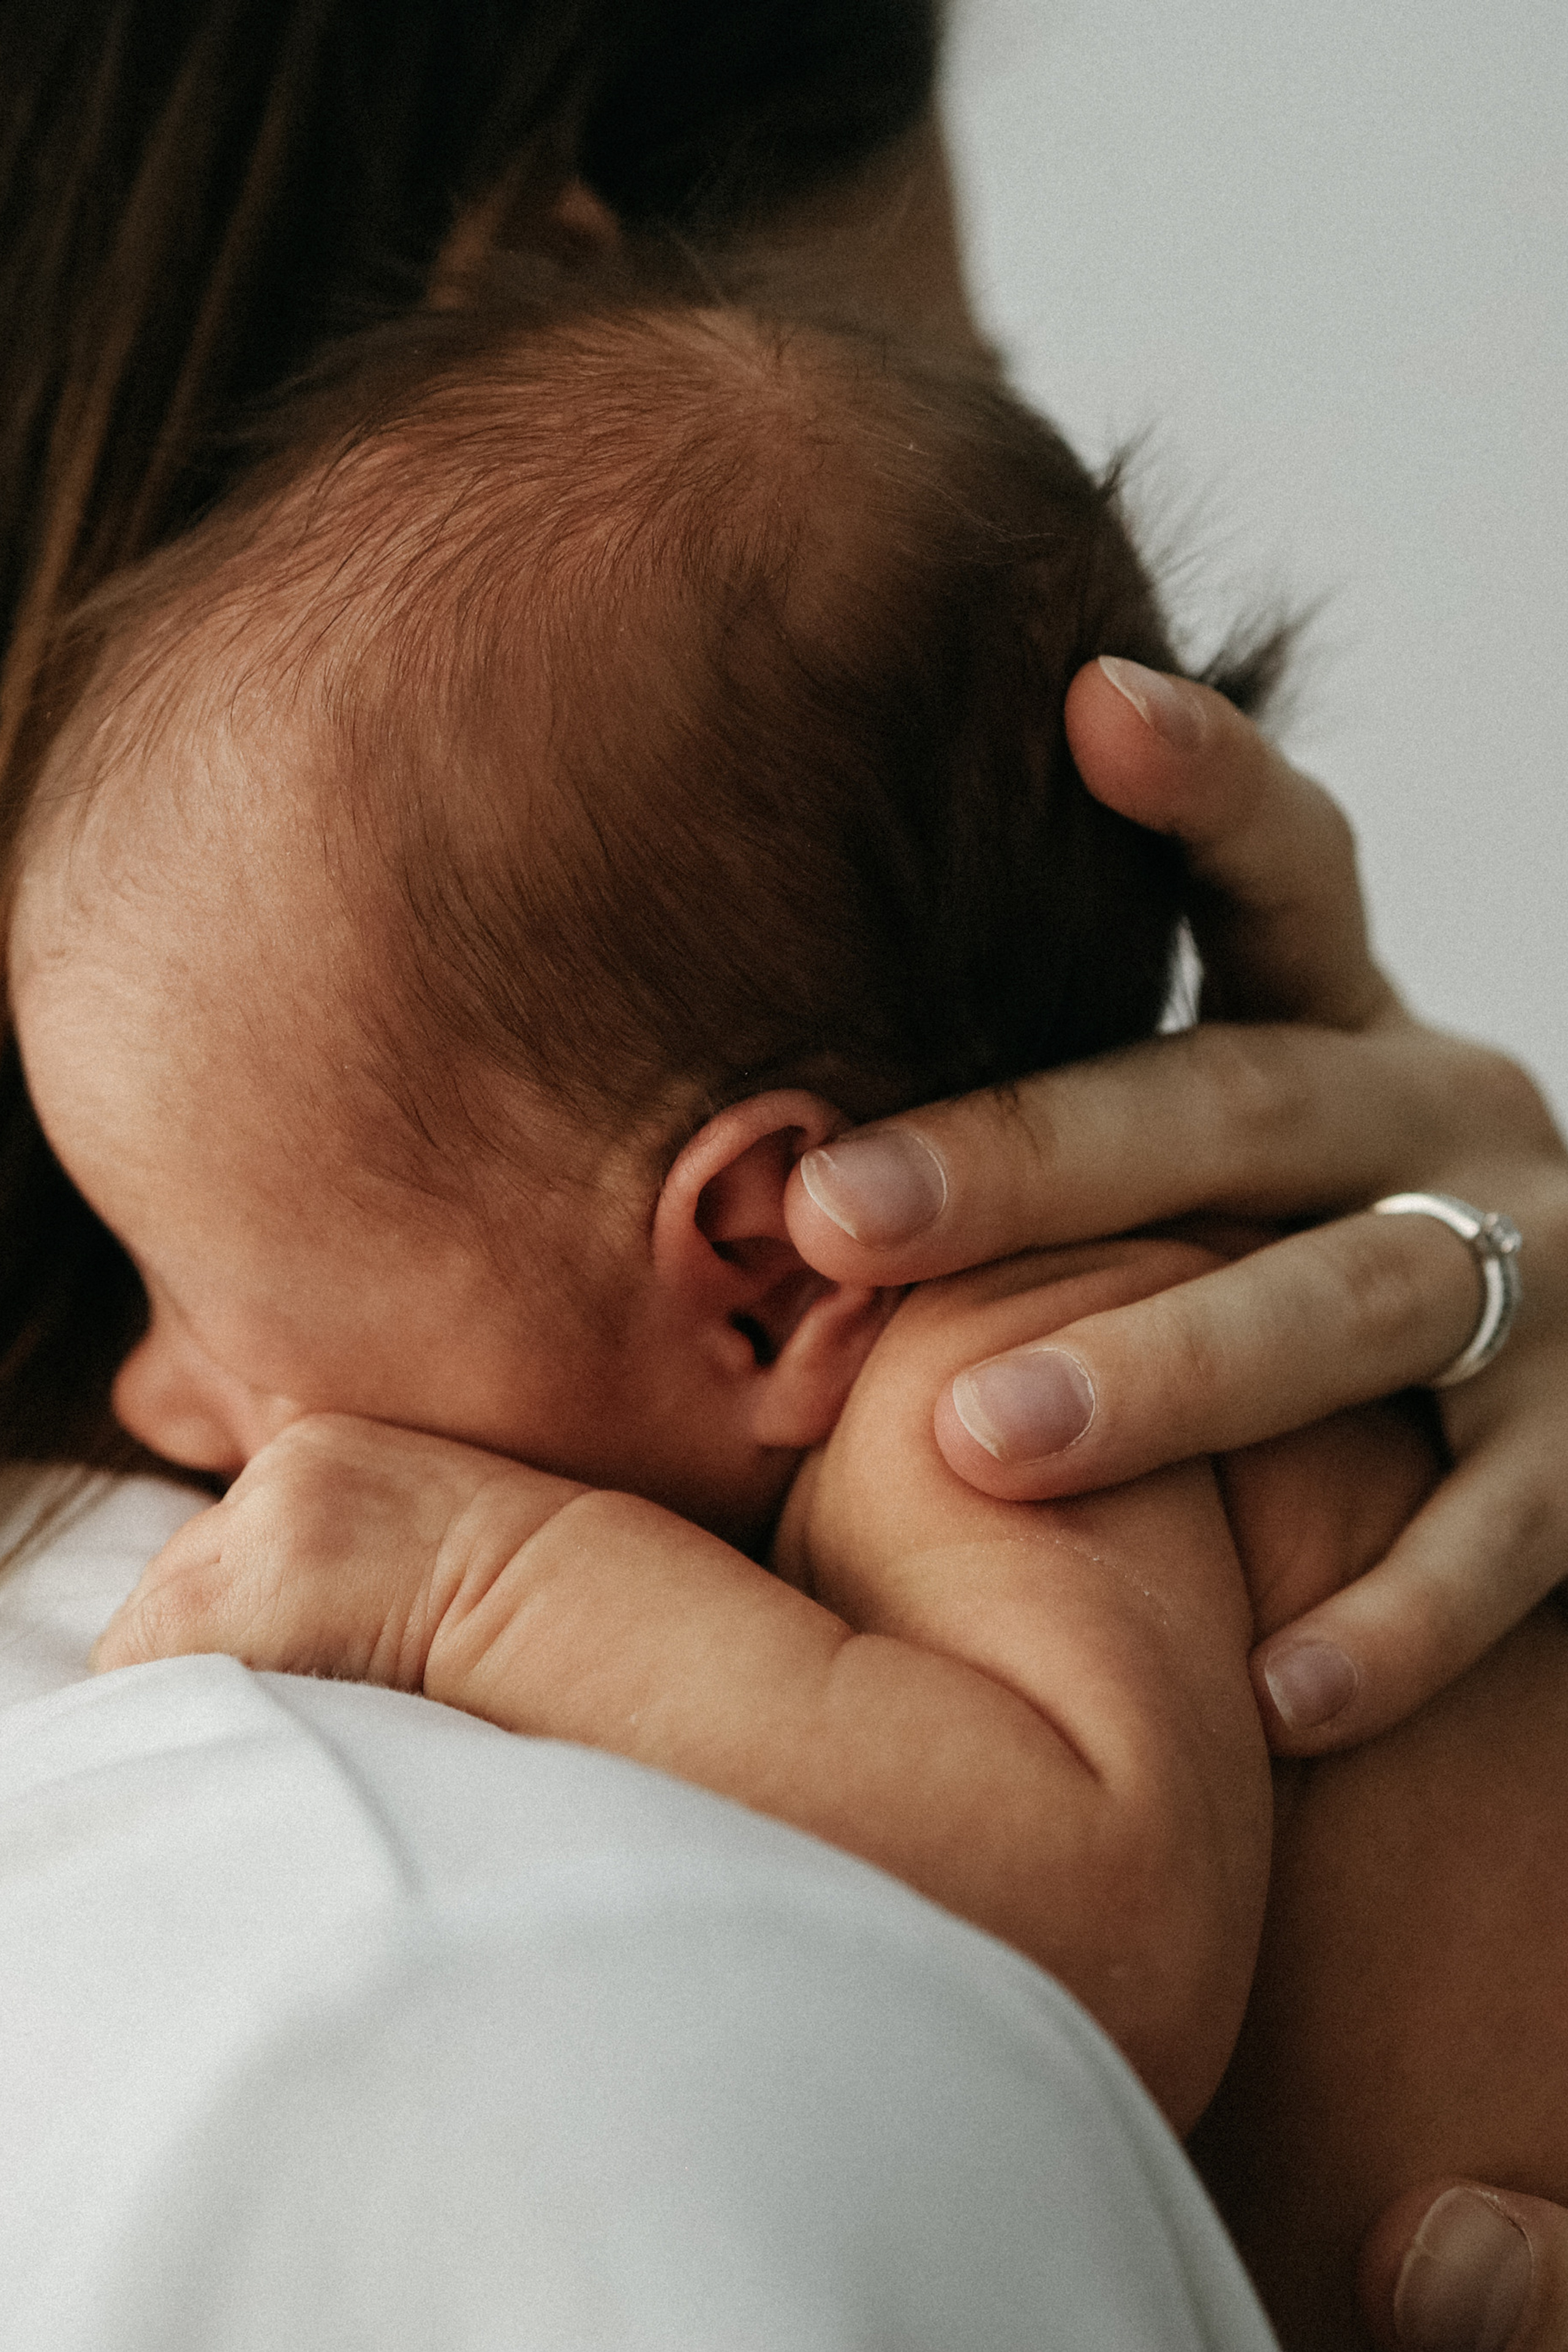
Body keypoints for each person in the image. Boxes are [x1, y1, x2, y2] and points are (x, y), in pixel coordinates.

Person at [4, 6, 1567, 2340]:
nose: (164, 1394)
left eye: (200, 1285)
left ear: (753, 1262)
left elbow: (1098, 1916)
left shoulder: (1020, 1392)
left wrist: (479, 1588)